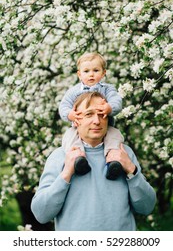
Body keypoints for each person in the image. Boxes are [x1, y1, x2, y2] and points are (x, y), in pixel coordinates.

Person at [31, 91, 156, 231]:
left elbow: (147, 207)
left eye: (102, 114)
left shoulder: (123, 153)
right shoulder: (59, 156)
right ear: (75, 119)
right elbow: (41, 214)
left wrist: (131, 170)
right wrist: (66, 174)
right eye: (89, 114)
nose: (97, 121)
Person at [59, 52, 124, 179]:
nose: (91, 74)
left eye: (96, 70)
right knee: (69, 138)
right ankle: (78, 159)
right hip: (79, 127)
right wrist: (70, 114)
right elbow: (63, 106)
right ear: (79, 74)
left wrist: (109, 107)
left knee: (115, 137)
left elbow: (117, 101)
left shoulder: (107, 89)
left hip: (106, 127)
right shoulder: (74, 91)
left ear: (103, 73)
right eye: (86, 71)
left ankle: (113, 161)